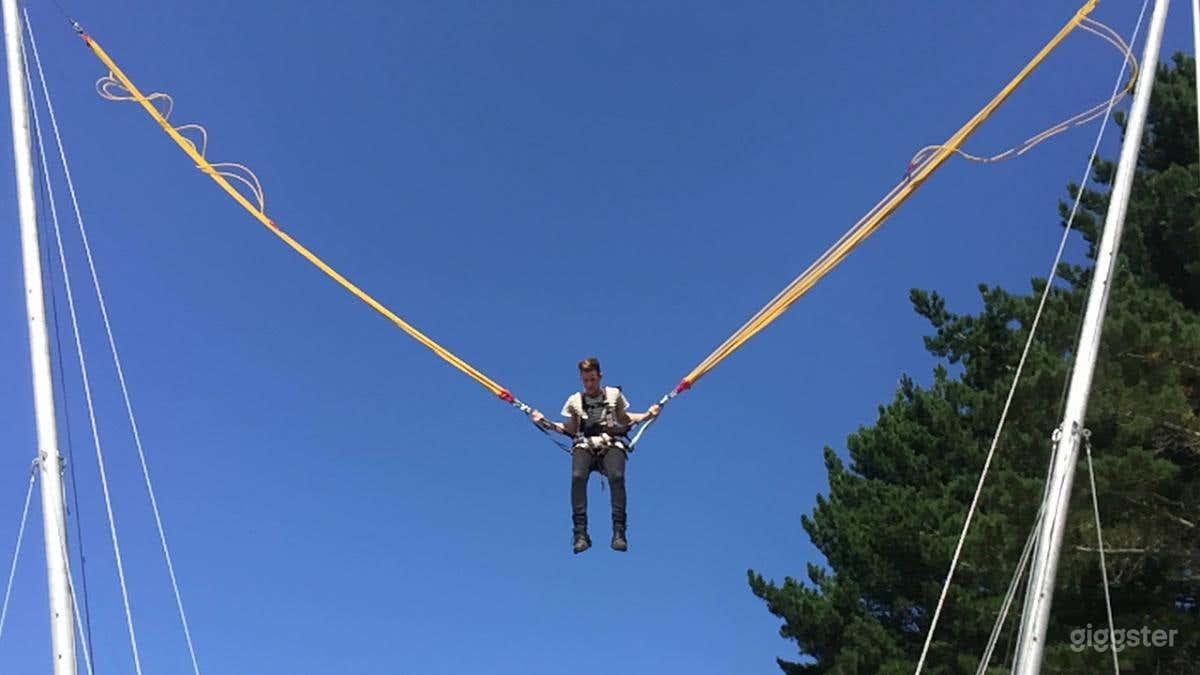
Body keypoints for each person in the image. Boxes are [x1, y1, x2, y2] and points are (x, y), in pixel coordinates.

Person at [531, 357, 660, 553]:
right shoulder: (575, 401)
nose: (589, 384)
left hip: (610, 443)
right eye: (585, 380)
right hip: (585, 444)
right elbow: (570, 428)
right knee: (578, 476)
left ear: (600, 377)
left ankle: (619, 532)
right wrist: (544, 422)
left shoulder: (613, 395)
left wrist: (648, 415)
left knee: (616, 476)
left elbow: (624, 418)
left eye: (592, 379)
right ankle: (580, 534)